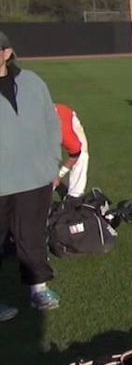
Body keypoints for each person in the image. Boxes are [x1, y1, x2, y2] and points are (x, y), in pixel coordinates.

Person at [0, 31, 63, 320]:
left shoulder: (33, 82)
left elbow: (51, 123)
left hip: (34, 178)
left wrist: (52, 162)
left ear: (7, 53)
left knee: (31, 236)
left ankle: (38, 289)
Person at [53, 103, 89, 198]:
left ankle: (74, 197)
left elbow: (76, 153)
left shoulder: (64, 133)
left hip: (67, 116)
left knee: (82, 156)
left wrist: (60, 175)